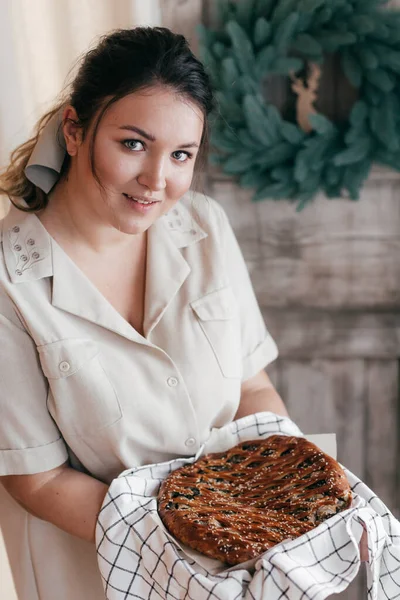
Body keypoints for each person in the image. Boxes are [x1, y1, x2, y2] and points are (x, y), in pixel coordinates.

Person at [0, 27, 288, 600]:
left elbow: (252, 388)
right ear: (76, 130)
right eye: (134, 144)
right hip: (92, 573)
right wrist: (193, 541)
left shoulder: (204, 227)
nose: (158, 181)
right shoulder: (10, 280)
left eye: (181, 155)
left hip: (231, 564)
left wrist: (279, 502)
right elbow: (36, 478)